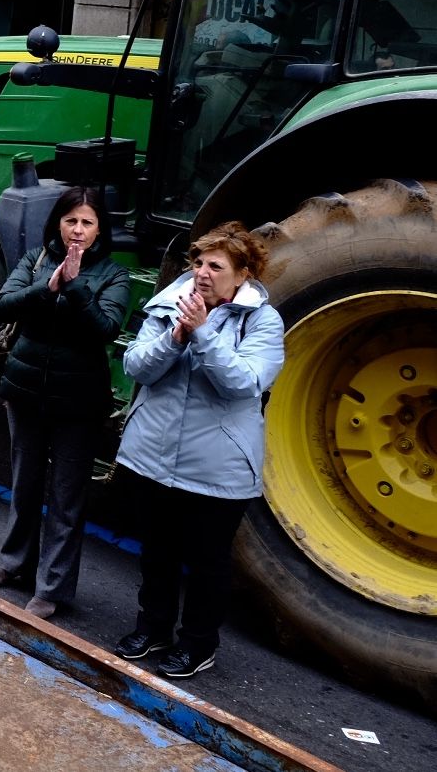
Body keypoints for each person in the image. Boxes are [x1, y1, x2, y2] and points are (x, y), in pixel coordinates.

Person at [113, 222, 285, 680]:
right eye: (198, 263)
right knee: (156, 554)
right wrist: (175, 338)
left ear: (243, 273)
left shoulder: (263, 322)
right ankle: (152, 628)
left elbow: (244, 384)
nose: (202, 273)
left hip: (217, 467)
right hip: (152, 456)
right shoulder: (169, 303)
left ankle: (197, 643)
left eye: (216, 265)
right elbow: (135, 366)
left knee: (208, 562)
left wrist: (204, 334)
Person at [0, 187, 132, 620]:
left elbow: (105, 328)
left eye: (87, 222)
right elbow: (3, 304)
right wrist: (47, 289)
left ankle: (52, 588)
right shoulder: (35, 260)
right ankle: (14, 565)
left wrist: (76, 286)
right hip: (26, 390)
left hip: (78, 401)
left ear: (100, 229)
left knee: (66, 496)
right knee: (24, 485)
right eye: (70, 221)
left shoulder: (114, 276)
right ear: (57, 224)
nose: (77, 231)